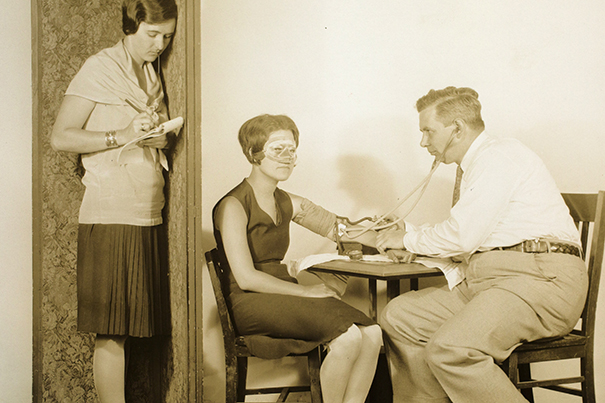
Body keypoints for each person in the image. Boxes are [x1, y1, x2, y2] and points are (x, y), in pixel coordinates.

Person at [374, 86, 588, 403]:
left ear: (457, 128)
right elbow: (470, 237)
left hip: (540, 281)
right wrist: (414, 242)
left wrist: (408, 238)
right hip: (491, 282)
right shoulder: (476, 166)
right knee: (400, 316)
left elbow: (462, 236)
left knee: (451, 348)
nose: (423, 142)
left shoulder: (498, 156)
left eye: (428, 131)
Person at [50, 1, 178, 401]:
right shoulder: (100, 67)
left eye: (167, 37)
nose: (160, 44)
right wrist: (120, 135)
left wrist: (158, 137)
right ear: (131, 26)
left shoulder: (152, 74)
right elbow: (61, 137)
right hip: (109, 214)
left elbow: (141, 135)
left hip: (146, 211)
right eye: (152, 35)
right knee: (112, 331)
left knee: (133, 328)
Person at [213, 114, 383, 403]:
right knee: (349, 337)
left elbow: (341, 229)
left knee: (373, 334)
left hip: (282, 294)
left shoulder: (290, 202)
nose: (287, 157)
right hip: (250, 300)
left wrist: (389, 236)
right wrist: (305, 291)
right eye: (277, 149)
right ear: (254, 154)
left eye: (292, 150)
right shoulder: (233, 205)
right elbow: (246, 277)